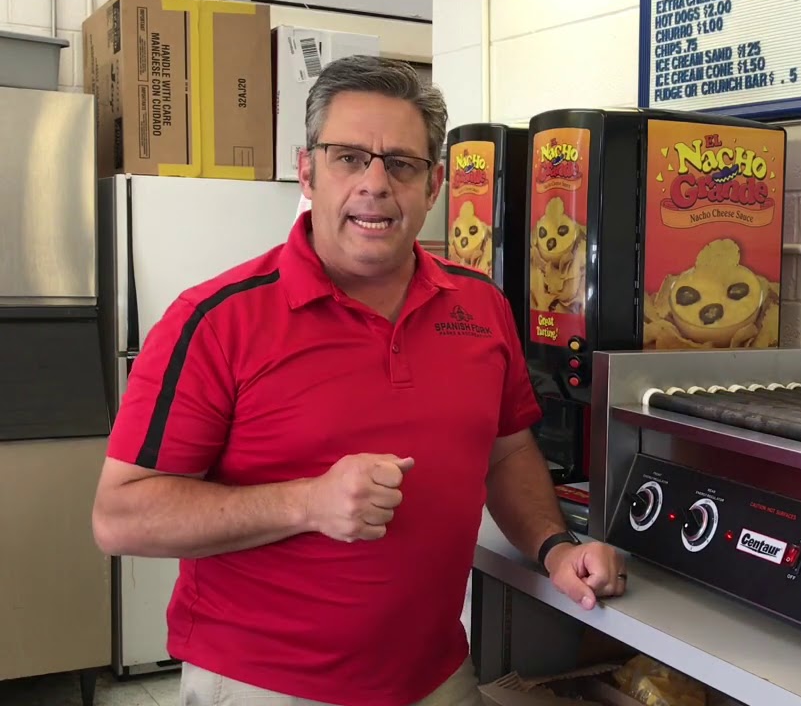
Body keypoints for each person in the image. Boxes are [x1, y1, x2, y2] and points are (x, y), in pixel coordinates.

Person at [90, 55, 627, 706]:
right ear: (308, 171)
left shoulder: (480, 306)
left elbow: (508, 451)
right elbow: (120, 517)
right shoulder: (215, 320)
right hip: (266, 686)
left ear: (434, 187)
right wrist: (307, 503)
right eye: (349, 157)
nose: (375, 184)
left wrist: (554, 548)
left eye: (401, 164)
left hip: (434, 678)